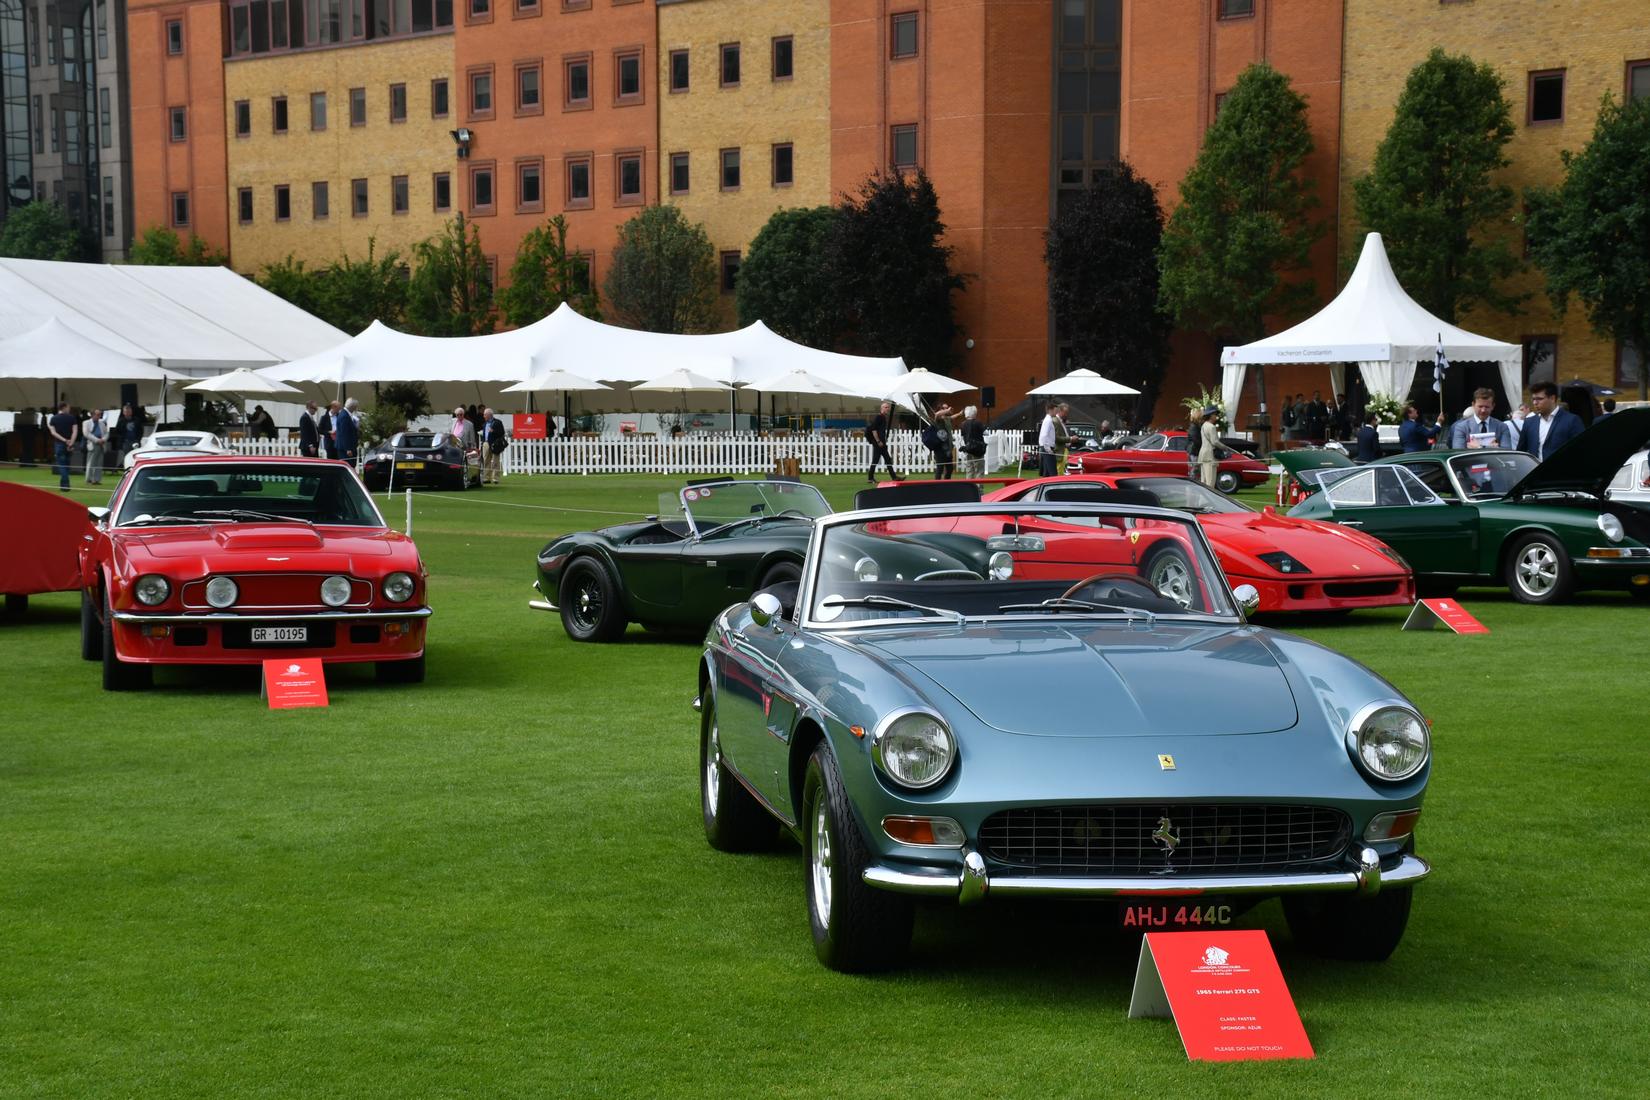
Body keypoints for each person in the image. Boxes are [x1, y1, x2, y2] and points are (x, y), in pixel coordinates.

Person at [1519, 380, 1584, 460]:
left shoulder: (1572, 420)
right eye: (1533, 399)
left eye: (1539, 399)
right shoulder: (1529, 422)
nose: (1535, 403)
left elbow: (1580, 451)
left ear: (1552, 398)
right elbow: (1521, 451)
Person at [1448, 387, 1512, 449]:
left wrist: (1479, 447)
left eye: (1487, 407)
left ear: (1493, 406)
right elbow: (1458, 453)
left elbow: (1507, 451)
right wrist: (1491, 448)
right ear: (1473, 405)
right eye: (1480, 406)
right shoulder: (1462, 427)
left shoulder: (1501, 427)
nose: (1483, 410)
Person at [46, 400, 78, 491]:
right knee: (67, 465)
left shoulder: (54, 419)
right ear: (64, 407)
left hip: (59, 444)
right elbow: (75, 431)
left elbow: (53, 432)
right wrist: (71, 441)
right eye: (68, 408)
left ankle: (65, 485)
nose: (69, 409)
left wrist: (64, 440)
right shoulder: (72, 418)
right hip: (69, 444)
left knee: (62, 465)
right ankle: (64, 485)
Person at [865, 401, 900, 482]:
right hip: (878, 443)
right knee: (876, 460)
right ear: (882, 408)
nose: (888, 409)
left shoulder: (883, 417)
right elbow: (874, 430)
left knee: (887, 459)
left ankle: (894, 477)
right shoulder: (879, 417)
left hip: (882, 443)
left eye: (888, 407)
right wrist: (878, 441)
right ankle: (870, 478)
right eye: (886, 407)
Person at [923, 404, 957, 479]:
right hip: (939, 449)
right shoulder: (937, 420)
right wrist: (947, 410)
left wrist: (959, 413)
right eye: (942, 409)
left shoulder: (945, 420)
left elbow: (951, 417)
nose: (944, 411)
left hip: (947, 449)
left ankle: (946, 485)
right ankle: (937, 486)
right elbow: (937, 414)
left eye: (945, 409)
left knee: (950, 468)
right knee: (940, 469)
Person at [479, 407, 507, 485]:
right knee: (486, 460)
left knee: (495, 461)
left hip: (495, 443)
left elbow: (502, 433)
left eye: (485, 415)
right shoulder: (484, 424)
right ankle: (486, 477)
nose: (483, 416)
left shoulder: (498, 422)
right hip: (486, 443)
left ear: (489, 415)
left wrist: (494, 431)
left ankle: (495, 478)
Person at [958, 405, 987, 478]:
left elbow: (961, 437)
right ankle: (979, 487)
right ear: (975, 413)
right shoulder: (978, 423)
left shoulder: (963, 424)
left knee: (969, 468)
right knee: (979, 469)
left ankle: (969, 487)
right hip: (977, 448)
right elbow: (986, 433)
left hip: (968, 448)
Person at [1198, 405, 1221, 489]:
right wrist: (1225, 447)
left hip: (1203, 455)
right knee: (1210, 484)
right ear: (1211, 415)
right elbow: (1215, 442)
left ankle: (1202, 502)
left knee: (1203, 482)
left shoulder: (1204, 425)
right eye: (1215, 414)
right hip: (1209, 456)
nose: (1216, 416)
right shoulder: (1211, 427)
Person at [82, 409, 107, 485]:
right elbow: (86, 434)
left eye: (100, 414)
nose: (99, 416)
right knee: (91, 462)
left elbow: (106, 433)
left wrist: (103, 439)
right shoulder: (86, 422)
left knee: (99, 462)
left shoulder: (102, 423)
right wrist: (97, 440)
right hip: (92, 444)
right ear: (92, 415)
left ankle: (97, 480)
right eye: (97, 414)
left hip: (101, 444)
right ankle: (89, 479)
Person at [335, 397, 360, 463]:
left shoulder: (346, 414)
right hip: (346, 448)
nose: (356, 409)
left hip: (347, 447)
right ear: (352, 407)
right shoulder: (344, 416)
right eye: (355, 407)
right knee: (349, 465)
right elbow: (344, 433)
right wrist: (348, 449)